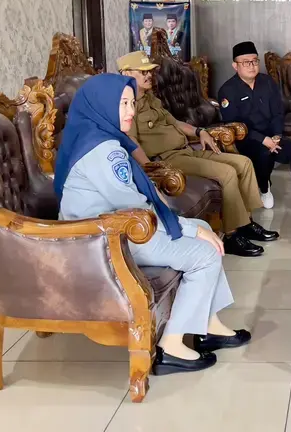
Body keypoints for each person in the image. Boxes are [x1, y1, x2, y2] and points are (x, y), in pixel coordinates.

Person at [55, 74, 252, 375]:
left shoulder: (95, 135)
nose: (130, 111)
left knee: (205, 229)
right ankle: (171, 348)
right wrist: (188, 228)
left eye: (132, 103)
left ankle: (207, 325)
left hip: (115, 229)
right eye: (122, 104)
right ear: (102, 105)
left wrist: (191, 226)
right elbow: (134, 206)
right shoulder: (103, 150)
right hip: (107, 240)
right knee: (205, 253)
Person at [117, 50, 276, 258]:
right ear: (127, 73)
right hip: (168, 159)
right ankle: (231, 236)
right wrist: (152, 168)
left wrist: (200, 132)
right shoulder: (127, 105)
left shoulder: (150, 98)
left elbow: (175, 123)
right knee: (228, 173)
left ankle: (246, 224)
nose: (149, 76)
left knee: (244, 163)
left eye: (150, 71)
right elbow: (131, 141)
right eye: (143, 72)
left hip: (186, 149)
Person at [219, 41, 291, 212]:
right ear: (235, 66)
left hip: (273, 136)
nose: (252, 65)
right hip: (248, 139)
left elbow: (278, 112)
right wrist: (263, 140)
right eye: (246, 62)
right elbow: (233, 124)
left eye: (255, 61)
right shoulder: (227, 90)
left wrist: (276, 135)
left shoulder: (267, 82)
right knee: (264, 152)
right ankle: (264, 188)